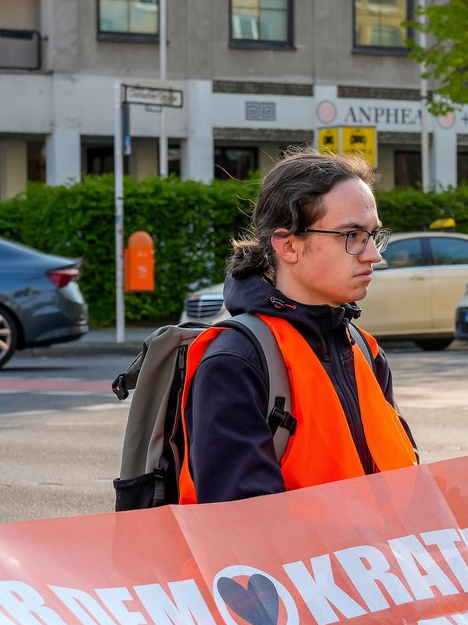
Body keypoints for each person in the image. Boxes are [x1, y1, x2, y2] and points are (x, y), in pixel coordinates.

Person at [177, 149, 418, 504]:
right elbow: (240, 528)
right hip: (318, 561)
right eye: (352, 235)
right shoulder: (235, 361)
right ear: (288, 245)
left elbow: (408, 485)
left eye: (373, 235)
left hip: (378, 560)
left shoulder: (364, 349)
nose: (373, 255)